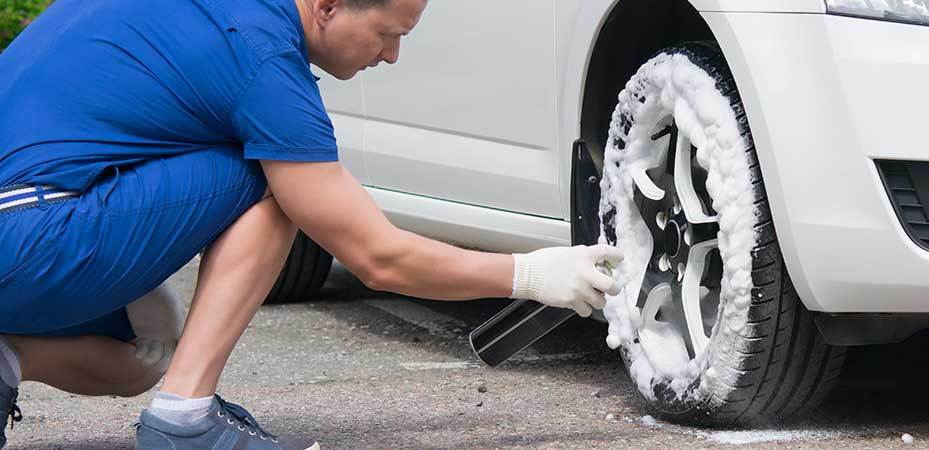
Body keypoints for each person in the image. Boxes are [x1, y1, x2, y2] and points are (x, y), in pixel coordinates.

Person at [0, 0, 623, 448]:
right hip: (31, 239)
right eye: (387, 33)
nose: (392, 55)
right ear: (326, 8)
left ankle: (8, 358)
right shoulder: (262, 52)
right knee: (279, 179)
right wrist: (533, 273)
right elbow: (377, 258)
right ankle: (185, 420)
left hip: (27, 230)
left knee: (143, 355)